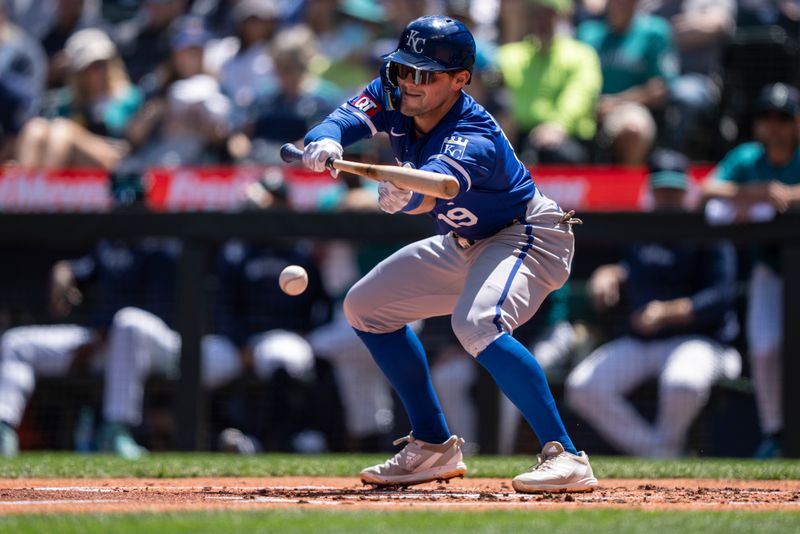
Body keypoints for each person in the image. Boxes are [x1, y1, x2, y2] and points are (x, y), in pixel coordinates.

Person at [300, 15, 597, 493]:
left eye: (425, 74)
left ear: (461, 80)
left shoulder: (473, 131)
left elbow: (440, 187)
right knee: (365, 308)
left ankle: (566, 455)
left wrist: (402, 193)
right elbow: (345, 116)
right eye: (402, 69)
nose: (409, 83)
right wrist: (327, 138)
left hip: (528, 236)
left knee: (476, 323)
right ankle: (433, 445)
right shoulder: (394, 90)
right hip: (467, 241)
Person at [566, 150, 742, 457]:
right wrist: (612, 273)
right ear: (651, 191)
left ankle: (666, 449)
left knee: (682, 383)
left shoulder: (706, 228)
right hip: (644, 341)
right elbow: (638, 267)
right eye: (662, 190)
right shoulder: (642, 227)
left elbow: (721, 296)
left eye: (674, 190)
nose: (668, 197)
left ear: (686, 191)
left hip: (702, 341)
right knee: (583, 388)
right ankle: (664, 454)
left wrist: (668, 312)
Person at [701, 83, 800, 457]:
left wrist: (785, 195)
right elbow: (708, 189)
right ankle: (775, 433)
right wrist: (758, 192)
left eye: (783, 118)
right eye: (767, 117)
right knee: (765, 348)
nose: (774, 125)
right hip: (771, 270)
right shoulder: (748, 158)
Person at [14, 28, 142, 170]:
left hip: (117, 163)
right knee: (35, 128)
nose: (100, 72)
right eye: (92, 67)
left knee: (64, 130)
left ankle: (43, 186)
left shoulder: (129, 98)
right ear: (79, 73)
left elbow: (130, 143)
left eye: (103, 64)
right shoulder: (65, 101)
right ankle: (24, 185)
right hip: (72, 159)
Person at [496, 0, 602, 164]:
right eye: (536, 14)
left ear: (561, 17)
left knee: (553, 152)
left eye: (548, 14)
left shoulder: (581, 54)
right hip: (521, 138)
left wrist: (559, 124)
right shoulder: (509, 56)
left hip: (567, 137)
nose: (542, 21)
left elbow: (581, 93)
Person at [577, 0, 679, 165]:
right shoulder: (588, 33)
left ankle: (626, 187)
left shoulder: (655, 31)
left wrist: (616, 102)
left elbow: (659, 89)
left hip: (630, 107)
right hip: (585, 108)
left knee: (633, 129)